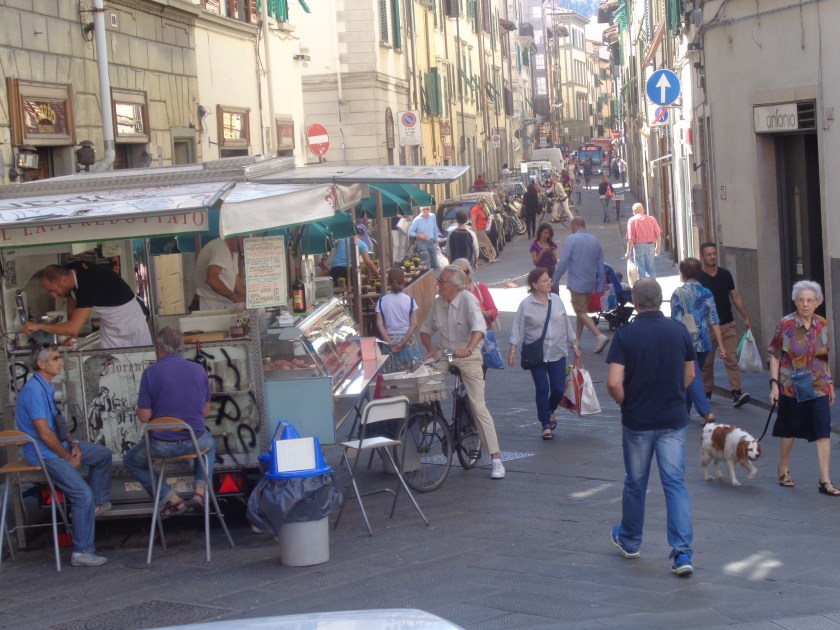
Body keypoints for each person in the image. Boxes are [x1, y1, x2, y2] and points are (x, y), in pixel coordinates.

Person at [606, 279, 696, 576]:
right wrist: (674, 396)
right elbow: (690, 373)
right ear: (659, 300)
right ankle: (682, 554)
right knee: (675, 484)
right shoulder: (678, 330)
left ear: (636, 301)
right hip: (672, 418)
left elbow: (614, 382)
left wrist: (625, 402)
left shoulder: (625, 336)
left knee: (636, 482)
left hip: (638, 420)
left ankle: (630, 541)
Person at [16, 345, 112, 567]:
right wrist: (69, 457)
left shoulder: (45, 387)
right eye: (56, 358)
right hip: (44, 453)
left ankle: (96, 505)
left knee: (102, 455)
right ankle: (81, 553)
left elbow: (58, 428)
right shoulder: (34, 391)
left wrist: (74, 444)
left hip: (57, 446)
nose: (60, 362)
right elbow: (45, 434)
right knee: (81, 495)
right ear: (41, 364)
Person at [419, 265, 505, 479]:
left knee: (478, 405)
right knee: (423, 380)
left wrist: (467, 348)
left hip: (467, 354)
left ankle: (496, 459)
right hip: (445, 352)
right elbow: (425, 329)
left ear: (454, 286)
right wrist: (430, 349)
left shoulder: (468, 299)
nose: (438, 285)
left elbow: (479, 328)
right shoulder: (439, 303)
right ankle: (434, 417)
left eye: (441, 282)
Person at [123, 327, 215, 518]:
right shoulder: (199, 370)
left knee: (131, 461)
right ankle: (199, 492)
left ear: (159, 348)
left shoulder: (150, 373)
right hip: (195, 441)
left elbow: (144, 416)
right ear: (181, 347)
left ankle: (171, 499)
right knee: (209, 447)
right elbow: (205, 412)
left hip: (161, 446)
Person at [769, 280, 839, 496]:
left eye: (810, 300)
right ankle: (783, 468)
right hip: (791, 386)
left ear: (817, 302)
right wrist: (774, 385)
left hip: (818, 385)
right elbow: (775, 355)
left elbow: (822, 355)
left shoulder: (822, 324)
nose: (805, 304)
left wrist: (829, 383)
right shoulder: (786, 324)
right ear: (796, 302)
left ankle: (825, 480)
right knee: (789, 429)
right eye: (801, 300)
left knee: (822, 430)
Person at [509, 267, 580, 441]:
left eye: (549, 280)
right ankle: (545, 425)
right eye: (545, 281)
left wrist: (574, 343)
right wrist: (512, 350)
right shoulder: (526, 304)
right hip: (536, 354)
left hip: (557, 350)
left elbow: (566, 323)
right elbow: (517, 328)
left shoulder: (556, 300)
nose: (549, 283)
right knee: (542, 388)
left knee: (557, 388)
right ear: (534, 285)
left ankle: (549, 410)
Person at [22, 262, 152, 349]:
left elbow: (74, 328)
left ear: (63, 280)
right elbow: (71, 300)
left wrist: (38, 326)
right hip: (110, 326)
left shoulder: (88, 286)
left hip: (129, 326)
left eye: (52, 290)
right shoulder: (71, 270)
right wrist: (71, 337)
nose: (53, 296)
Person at [670, 258, 726, 424]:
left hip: (686, 341)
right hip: (704, 341)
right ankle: (685, 411)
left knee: (692, 377)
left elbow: (675, 320)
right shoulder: (707, 292)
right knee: (693, 374)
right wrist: (721, 346)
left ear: (683, 273)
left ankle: (706, 412)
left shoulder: (678, 293)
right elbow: (714, 320)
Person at [698, 242, 752, 407]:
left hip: (727, 324)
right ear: (702, 256)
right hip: (707, 328)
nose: (713, 257)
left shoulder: (725, 275)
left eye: (714, 253)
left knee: (731, 358)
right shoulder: (699, 278)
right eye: (709, 254)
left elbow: (735, 296)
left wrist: (746, 316)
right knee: (707, 362)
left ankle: (736, 392)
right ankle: (706, 392)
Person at [552, 218, 610, 353]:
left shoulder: (571, 240)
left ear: (574, 226)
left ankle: (599, 336)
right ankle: (576, 340)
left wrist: (554, 280)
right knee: (581, 311)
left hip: (576, 283)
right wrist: (600, 285)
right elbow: (601, 265)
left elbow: (564, 262)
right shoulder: (595, 241)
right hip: (590, 283)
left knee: (580, 311)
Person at [454, 258, 499, 377]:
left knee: (479, 376)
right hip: (461, 340)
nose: (464, 275)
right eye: (460, 272)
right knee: (465, 376)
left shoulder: (480, 288)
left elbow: (494, 311)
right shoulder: (453, 293)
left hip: (481, 340)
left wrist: (483, 313)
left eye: (466, 271)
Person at [375, 268, 421, 371]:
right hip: (408, 341)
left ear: (388, 282)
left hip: (389, 342)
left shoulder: (382, 301)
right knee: (413, 375)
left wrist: (390, 342)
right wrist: (402, 343)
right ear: (404, 281)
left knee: (391, 377)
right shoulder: (410, 301)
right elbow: (414, 324)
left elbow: (379, 324)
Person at [625, 203, 661, 280]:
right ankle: (652, 287)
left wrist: (628, 252)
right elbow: (658, 234)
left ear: (634, 212)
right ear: (643, 210)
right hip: (651, 245)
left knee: (641, 270)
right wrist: (658, 247)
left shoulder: (632, 220)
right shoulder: (651, 219)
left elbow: (630, 238)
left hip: (639, 247)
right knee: (651, 269)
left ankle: (643, 289)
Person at [407, 206, 440, 270]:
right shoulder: (416, 220)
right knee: (426, 261)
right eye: (423, 209)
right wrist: (419, 235)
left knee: (435, 262)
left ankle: (435, 277)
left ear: (430, 210)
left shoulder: (432, 216)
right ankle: (427, 276)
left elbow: (434, 228)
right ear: (420, 210)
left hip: (431, 241)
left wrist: (436, 240)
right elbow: (409, 232)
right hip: (421, 242)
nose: (425, 211)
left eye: (427, 209)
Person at [470, 198, 496, 263]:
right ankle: (490, 258)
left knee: (478, 245)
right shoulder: (475, 209)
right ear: (480, 203)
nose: (484, 205)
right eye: (483, 204)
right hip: (478, 230)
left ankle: (476, 261)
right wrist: (475, 231)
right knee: (487, 243)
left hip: (481, 229)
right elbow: (473, 220)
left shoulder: (479, 209)